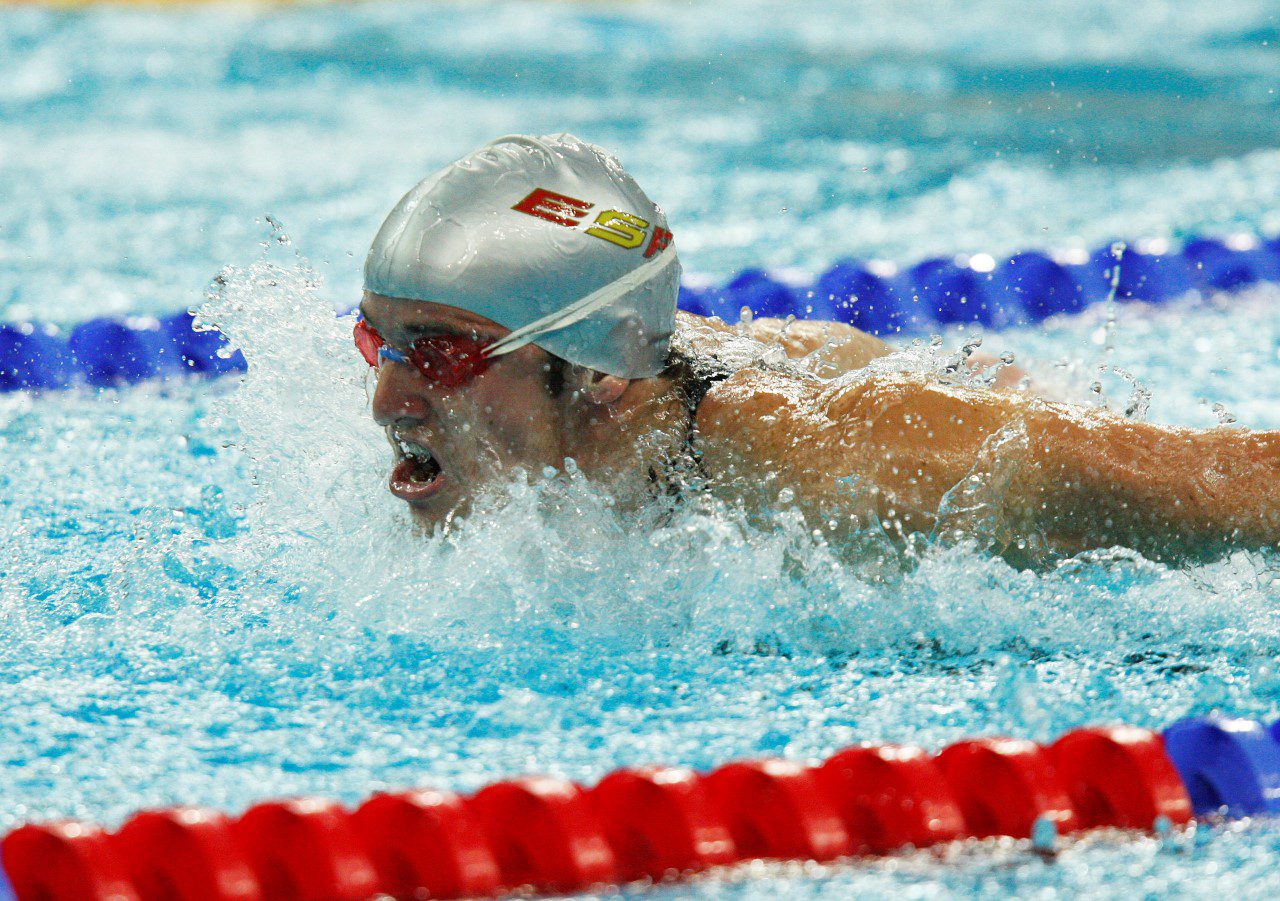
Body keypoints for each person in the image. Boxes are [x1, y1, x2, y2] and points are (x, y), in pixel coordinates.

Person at [357, 133, 1280, 564]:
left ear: (598, 372)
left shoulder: (849, 467)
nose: (388, 399)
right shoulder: (555, 418)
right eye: (378, 342)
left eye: (441, 357)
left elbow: (1223, 483)